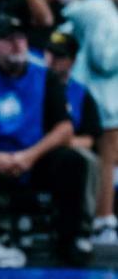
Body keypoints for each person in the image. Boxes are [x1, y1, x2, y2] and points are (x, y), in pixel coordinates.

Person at [0, 16, 92, 266]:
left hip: (32, 158)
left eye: (21, 38)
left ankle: (69, 244)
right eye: (8, 39)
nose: (17, 44)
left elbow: (65, 128)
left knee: (72, 161)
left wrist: (29, 156)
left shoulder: (46, 78)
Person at [63, 0, 118, 245]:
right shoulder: (103, 11)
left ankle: (91, 220)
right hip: (104, 98)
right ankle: (102, 221)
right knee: (105, 161)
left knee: (94, 161)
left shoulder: (84, 8)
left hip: (83, 90)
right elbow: (104, 58)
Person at [45, 29, 102, 240]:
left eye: (60, 56)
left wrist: (61, 140)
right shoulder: (32, 83)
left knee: (89, 161)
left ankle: (83, 226)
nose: (52, 60)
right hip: (30, 146)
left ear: (73, 60)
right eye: (50, 53)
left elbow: (89, 138)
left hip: (66, 147)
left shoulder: (81, 94)